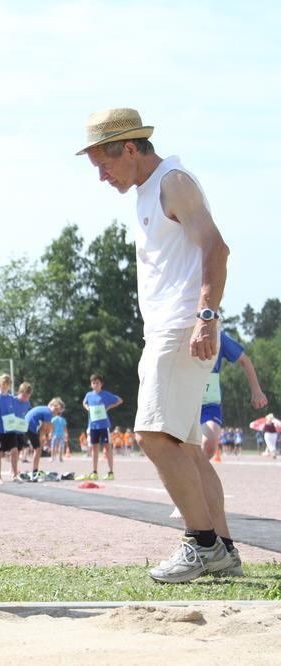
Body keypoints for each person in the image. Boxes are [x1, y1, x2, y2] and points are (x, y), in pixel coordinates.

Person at [80, 107, 236, 582]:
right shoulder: (149, 191)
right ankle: (224, 549)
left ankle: (201, 545)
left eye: (105, 164)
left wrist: (206, 317)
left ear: (130, 148)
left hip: (181, 325)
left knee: (151, 435)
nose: (102, 176)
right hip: (169, 327)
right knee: (186, 447)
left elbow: (216, 248)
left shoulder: (173, 182)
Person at [198, 330, 268, 460]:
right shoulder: (176, 329)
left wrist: (256, 391)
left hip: (208, 402)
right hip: (181, 401)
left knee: (209, 443)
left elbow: (244, 360)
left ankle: (193, 470)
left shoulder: (218, 335)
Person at [81, 374, 123, 481]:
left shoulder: (106, 394)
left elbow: (119, 400)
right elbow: (84, 403)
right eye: (94, 383)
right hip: (93, 426)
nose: (96, 385)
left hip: (104, 425)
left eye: (98, 383)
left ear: (101, 384)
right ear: (91, 384)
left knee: (107, 448)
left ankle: (110, 472)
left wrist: (109, 407)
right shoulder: (89, 395)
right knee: (94, 448)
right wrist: (87, 408)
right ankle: (94, 472)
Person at [0, 374, 22, 484]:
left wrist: (19, 423)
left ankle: (15, 475)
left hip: (11, 429)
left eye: (7, 384)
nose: (5, 386)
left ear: (9, 385)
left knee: (15, 451)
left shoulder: (12, 398)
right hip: (0, 430)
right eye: (3, 384)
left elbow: (15, 413)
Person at [24, 403, 54, 480]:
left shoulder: (44, 409)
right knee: (37, 449)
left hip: (24, 424)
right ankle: (35, 471)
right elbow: (43, 429)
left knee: (18, 448)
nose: (57, 413)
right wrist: (42, 440)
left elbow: (46, 427)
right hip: (30, 427)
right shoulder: (48, 412)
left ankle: (13, 470)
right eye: (58, 411)